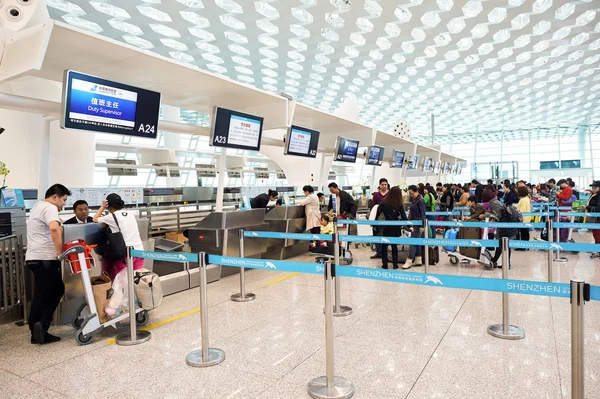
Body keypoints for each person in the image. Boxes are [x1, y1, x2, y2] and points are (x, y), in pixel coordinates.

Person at [26, 184, 71, 345]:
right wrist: (60, 253)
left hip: (35, 257)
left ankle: (40, 326)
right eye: (63, 200)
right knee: (44, 294)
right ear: (54, 197)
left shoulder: (37, 207)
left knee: (54, 289)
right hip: (45, 258)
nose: (63, 204)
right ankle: (37, 330)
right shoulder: (50, 207)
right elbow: (54, 229)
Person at [93, 193, 145, 280]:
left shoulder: (111, 216)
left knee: (120, 281)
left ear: (108, 206)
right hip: (139, 252)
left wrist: (102, 207)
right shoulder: (130, 214)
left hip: (124, 254)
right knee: (136, 280)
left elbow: (95, 219)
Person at [376, 186, 408, 269]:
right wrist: (409, 226)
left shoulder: (383, 202)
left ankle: (385, 264)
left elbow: (378, 213)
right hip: (395, 226)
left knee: (384, 246)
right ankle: (395, 264)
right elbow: (404, 216)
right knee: (394, 246)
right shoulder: (398, 203)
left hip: (385, 227)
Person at [488, 194, 518, 268]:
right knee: (504, 246)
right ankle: (499, 262)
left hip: (506, 231)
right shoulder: (502, 208)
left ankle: (501, 262)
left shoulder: (498, 209)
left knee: (502, 245)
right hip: (511, 230)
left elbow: (497, 217)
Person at [403, 185, 427, 269]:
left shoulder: (421, 201)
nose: (411, 195)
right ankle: (418, 259)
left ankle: (409, 260)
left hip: (418, 224)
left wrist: (422, 225)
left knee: (413, 242)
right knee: (417, 242)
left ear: (416, 191)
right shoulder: (416, 200)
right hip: (415, 223)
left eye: (411, 193)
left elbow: (423, 214)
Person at [370, 178, 389, 259]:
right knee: (377, 235)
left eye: (385, 184)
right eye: (382, 184)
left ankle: (386, 253)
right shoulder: (376, 195)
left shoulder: (389, 194)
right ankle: (378, 252)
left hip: (388, 219)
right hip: (378, 219)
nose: (384, 186)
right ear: (380, 185)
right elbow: (373, 206)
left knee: (386, 236)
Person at [586, 181, 600, 258]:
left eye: (595, 188)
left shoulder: (598, 196)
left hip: (598, 218)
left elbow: (598, 208)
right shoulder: (595, 195)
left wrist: (588, 207)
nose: (593, 189)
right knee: (596, 234)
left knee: (598, 235)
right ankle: (597, 250)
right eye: (593, 188)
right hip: (595, 218)